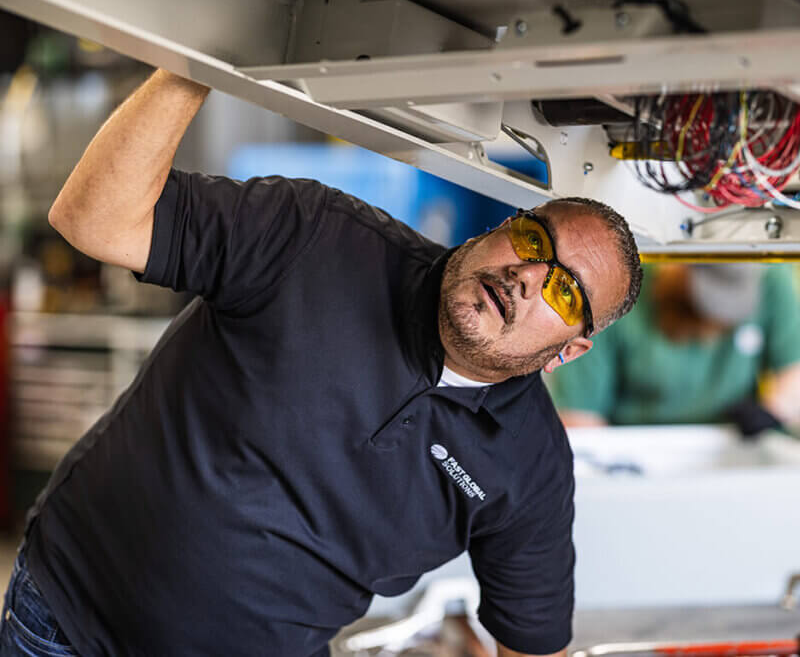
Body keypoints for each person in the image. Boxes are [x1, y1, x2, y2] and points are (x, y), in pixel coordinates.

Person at [0, 69, 643, 657]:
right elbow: (93, 220)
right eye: (532, 240)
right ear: (498, 229)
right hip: (63, 624)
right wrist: (195, 58)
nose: (527, 276)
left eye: (564, 291)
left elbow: (530, 644)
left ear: (568, 352)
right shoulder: (314, 237)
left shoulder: (530, 465)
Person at [551, 262, 800, 435]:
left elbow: (796, 372)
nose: (711, 333)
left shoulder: (773, 277)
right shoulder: (611, 296)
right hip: (636, 451)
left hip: (733, 446)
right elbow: (579, 418)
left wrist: (774, 412)